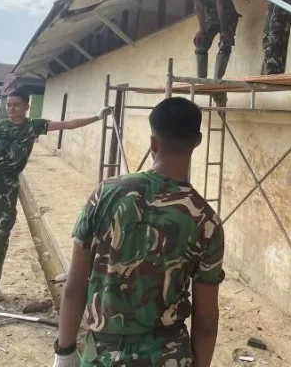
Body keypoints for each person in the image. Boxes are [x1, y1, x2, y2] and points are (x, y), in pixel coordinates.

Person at [52, 97, 224, 367]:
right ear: (197, 141)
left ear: (153, 143)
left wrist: (64, 352)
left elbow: (75, 286)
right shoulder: (206, 220)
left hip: (104, 357)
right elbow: (205, 320)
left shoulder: (106, 193)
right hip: (169, 357)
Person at [0, 89, 110, 302]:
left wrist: (96, 117)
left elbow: (69, 124)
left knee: (0, 237)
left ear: (26, 106)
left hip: (8, 189)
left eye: (16, 104)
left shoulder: (33, 126)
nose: (11, 108)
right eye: (9, 104)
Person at [188, 0, 240, 80]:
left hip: (227, 16)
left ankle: (217, 80)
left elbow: (220, 4)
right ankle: (202, 81)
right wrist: (202, 28)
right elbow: (198, 6)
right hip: (211, 17)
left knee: (224, 44)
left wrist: (224, 29)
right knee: (201, 43)